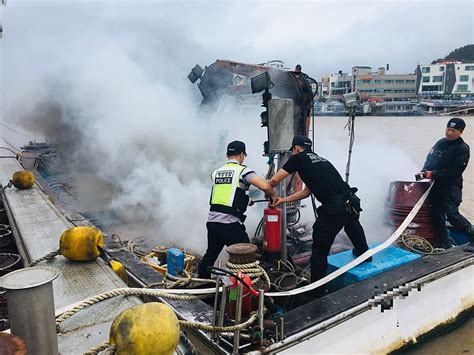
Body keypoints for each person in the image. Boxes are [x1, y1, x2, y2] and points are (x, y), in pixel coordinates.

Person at [269, 135, 370, 297]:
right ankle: (365, 255)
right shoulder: (321, 159)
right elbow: (306, 192)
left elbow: (274, 180)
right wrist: (283, 200)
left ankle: (316, 291)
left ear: (295, 148)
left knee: (319, 250)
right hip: (350, 201)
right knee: (352, 225)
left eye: (293, 150)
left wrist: (268, 189)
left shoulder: (297, 159)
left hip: (334, 207)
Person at [198, 140, 277, 278]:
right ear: (241, 155)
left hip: (212, 223)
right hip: (229, 224)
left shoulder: (216, 173)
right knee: (246, 256)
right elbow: (265, 186)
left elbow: (228, 192)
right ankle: (246, 289)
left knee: (211, 254)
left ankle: (200, 283)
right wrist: (273, 196)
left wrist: (245, 199)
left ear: (227, 155)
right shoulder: (243, 171)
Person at [416, 117, 473, 249]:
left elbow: (456, 171)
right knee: (436, 214)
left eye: (453, 130)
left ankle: (472, 238)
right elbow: (430, 159)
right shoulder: (441, 143)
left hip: (451, 186)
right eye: (448, 129)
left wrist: (434, 174)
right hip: (436, 186)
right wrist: (424, 171)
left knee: (452, 214)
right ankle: (444, 243)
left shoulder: (462, 148)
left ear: (460, 132)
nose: (449, 133)